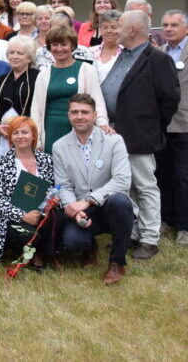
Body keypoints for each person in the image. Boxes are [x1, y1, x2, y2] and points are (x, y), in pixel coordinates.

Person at [100, 9, 180, 260]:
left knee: (145, 186)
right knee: (126, 187)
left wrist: (151, 125)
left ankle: (149, 238)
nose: (116, 30)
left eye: (120, 26)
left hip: (140, 134)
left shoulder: (157, 59)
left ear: (132, 30)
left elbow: (170, 98)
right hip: (115, 133)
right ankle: (132, 234)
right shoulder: (125, 56)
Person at [53, 94, 134, 284]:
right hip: (83, 211)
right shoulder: (59, 146)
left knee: (121, 201)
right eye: (74, 112)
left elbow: (122, 180)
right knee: (73, 242)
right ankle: (89, 248)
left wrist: (87, 201)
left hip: (110, 206)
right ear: (68, 115)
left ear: (95, 115)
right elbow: (63, 185)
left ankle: (116, 262)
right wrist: (74, 209)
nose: (79, 116)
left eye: (85, 112)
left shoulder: (114, 141)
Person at [0, 117, 57, 265]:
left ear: (33, 135)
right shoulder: (0, 163)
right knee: (29, 235)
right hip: (12, 217)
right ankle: (31, 253)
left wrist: (53, 201)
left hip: (41, 213)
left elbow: (55, 187)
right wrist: (23, 215)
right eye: (15, 133)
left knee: (59, 219)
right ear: (10, 137)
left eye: (25, 132)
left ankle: (41, 252)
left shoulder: (47, 160)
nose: (20, 136)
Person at [31, 26, 109, 153]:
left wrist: (102, 124)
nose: (59, 49)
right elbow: (36, 110)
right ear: (49, 47)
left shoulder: (86, 69)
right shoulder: (43, 75)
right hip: (51, 129)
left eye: (64, 44)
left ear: (72, 46)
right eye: (55, 45)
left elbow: (97, 101)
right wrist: (36, 140)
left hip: (80, 127)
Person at [159, 10, 188, 245]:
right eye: (165, 25)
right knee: (164, 176)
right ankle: (167, 220)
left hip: (185, 125)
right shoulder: (162, 52)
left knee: (183, 177)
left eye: (174, 25)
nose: (168, 29)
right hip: (163, 125)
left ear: (185, 28)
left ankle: (184, 226)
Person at [0, 36, 39, 153]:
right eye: (11, 53)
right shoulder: (1, 79)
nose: (14, 56)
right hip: (3, 137)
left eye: (20, 53)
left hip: (26, 136)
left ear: (29, 58)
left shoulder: (37, 78)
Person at [91, 10, 123, 82]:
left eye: (114, 27)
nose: (109, 31)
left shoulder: (128, 53)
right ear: (100, 29)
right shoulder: (90, 52)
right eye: (105, 27)